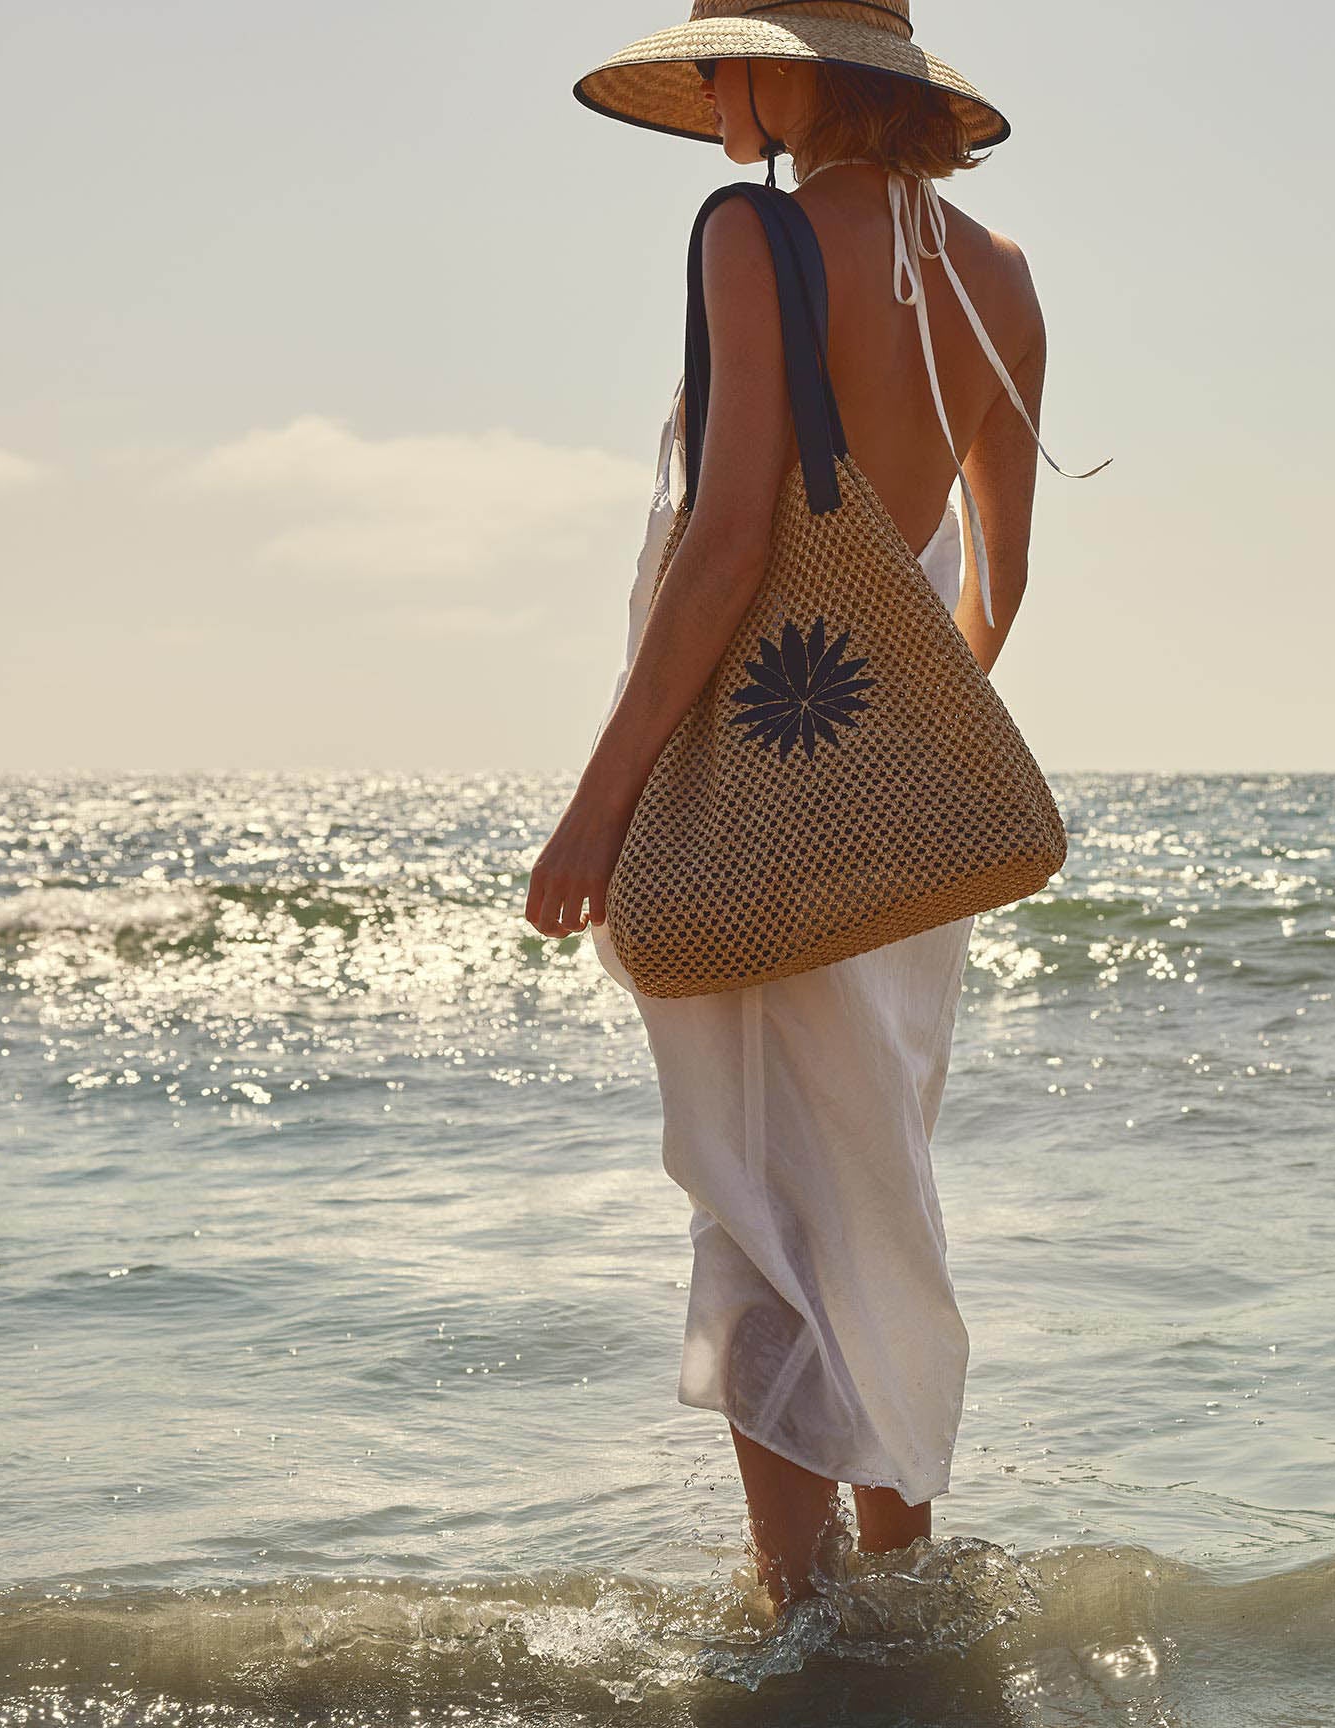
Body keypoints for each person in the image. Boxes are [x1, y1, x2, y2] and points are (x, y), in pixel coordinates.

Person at [527, 1, 1099, 1613]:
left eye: (728, 54)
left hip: (746, 782)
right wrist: (895, 756)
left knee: (759, 1188)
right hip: (889, 832)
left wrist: (597, 807)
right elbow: (998, 583)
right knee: (874, 1183)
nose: (713, 83)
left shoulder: (751, 233)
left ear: (797, 72)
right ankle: (899, 1585)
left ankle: (799, 1614)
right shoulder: (1003, 280)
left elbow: (726, 550)